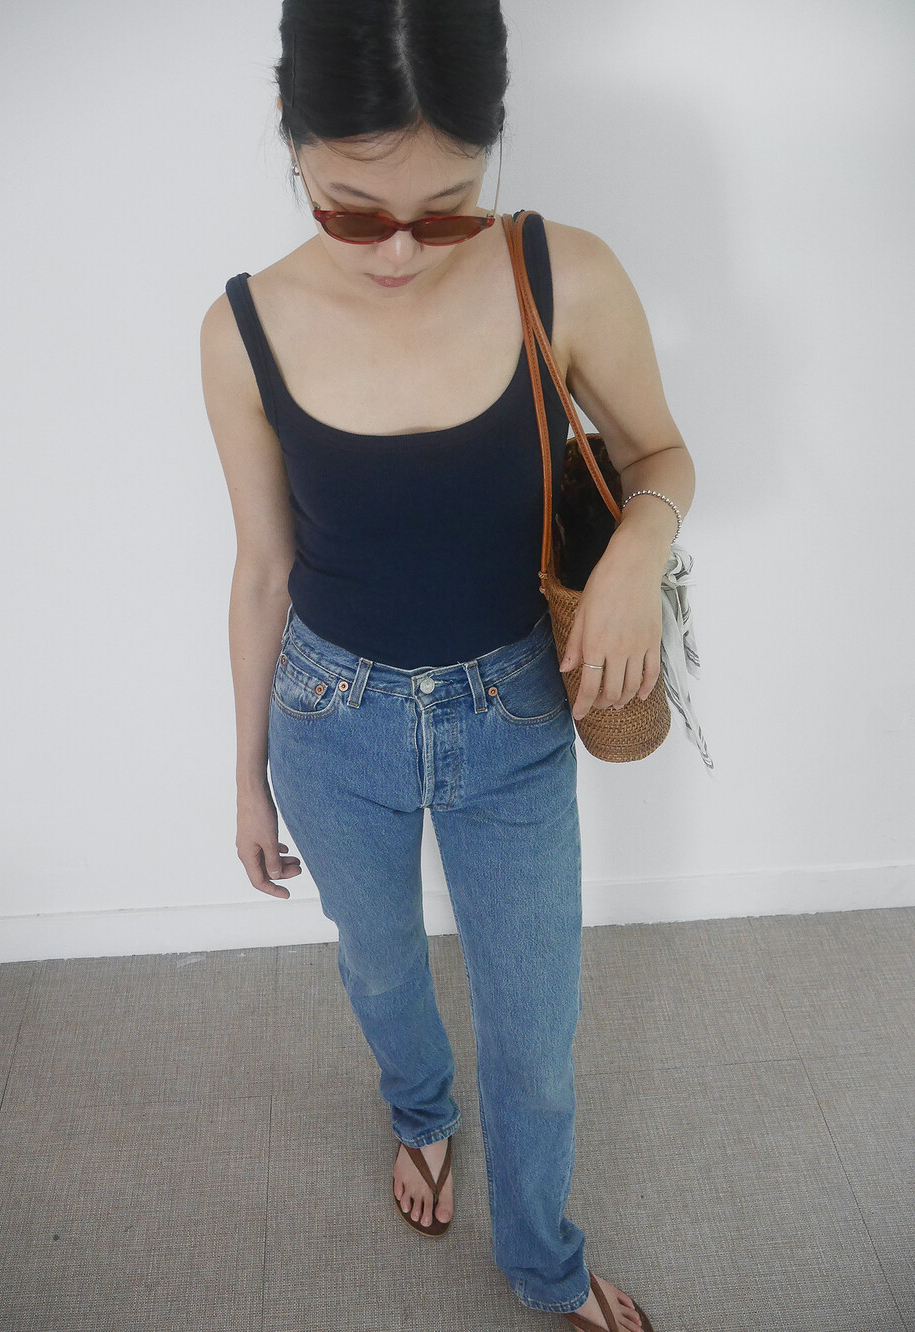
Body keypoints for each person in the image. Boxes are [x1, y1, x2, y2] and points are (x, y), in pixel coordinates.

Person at [199, 2, 694, 1327]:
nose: (403, 249)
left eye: (451, 209)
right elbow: (262, 567)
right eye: (354, 210)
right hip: (330, 717)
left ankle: (543, 1262)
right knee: (377, 968)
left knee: (535, 1038)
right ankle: (420, 1113)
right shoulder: (241, 329)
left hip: (512, 713)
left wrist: (639, 551)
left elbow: (663, 455)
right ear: (294, 137)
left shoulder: (565, 275)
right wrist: (245, 776)